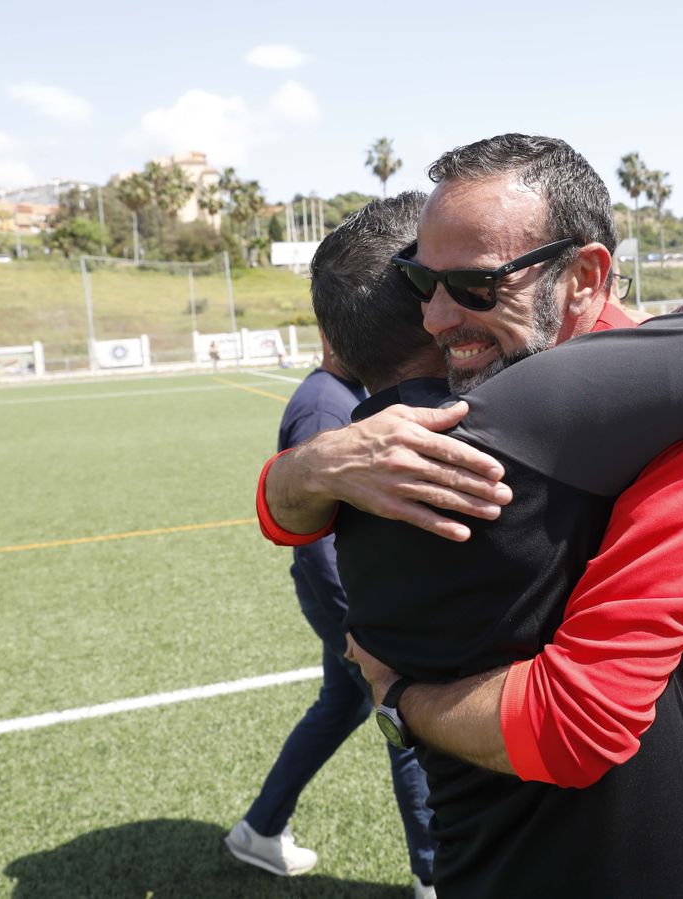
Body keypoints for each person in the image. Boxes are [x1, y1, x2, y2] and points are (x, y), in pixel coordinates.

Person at [262, 136, 683, 898]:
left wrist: (397, 699)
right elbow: (286, 512)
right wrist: (312, 466)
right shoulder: (503, 402)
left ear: (586, 278)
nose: (434, 315)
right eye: (422, 281)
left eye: (473, 284)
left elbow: (579, 718)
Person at [225, 315, 437, 892]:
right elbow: (316, 544)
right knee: (408, 728)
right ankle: (433, 878)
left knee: (337, 710)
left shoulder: (342, 396)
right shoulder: (324, 407)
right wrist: (360, 628)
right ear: (327, 333)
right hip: (351, 614)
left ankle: (259, 830)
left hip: (343, 609)